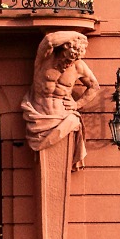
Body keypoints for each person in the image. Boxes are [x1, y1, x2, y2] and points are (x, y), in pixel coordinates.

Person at [21, 30, 102, 169]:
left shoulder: (78, 66)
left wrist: (77, 104)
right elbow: (49, 40)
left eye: (72, 60)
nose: (67, 63)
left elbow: (94, 86)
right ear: (62, 49)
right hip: (40, 117)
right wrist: (78, 38)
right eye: (66, 58)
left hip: (65, 118)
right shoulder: (44, 59)